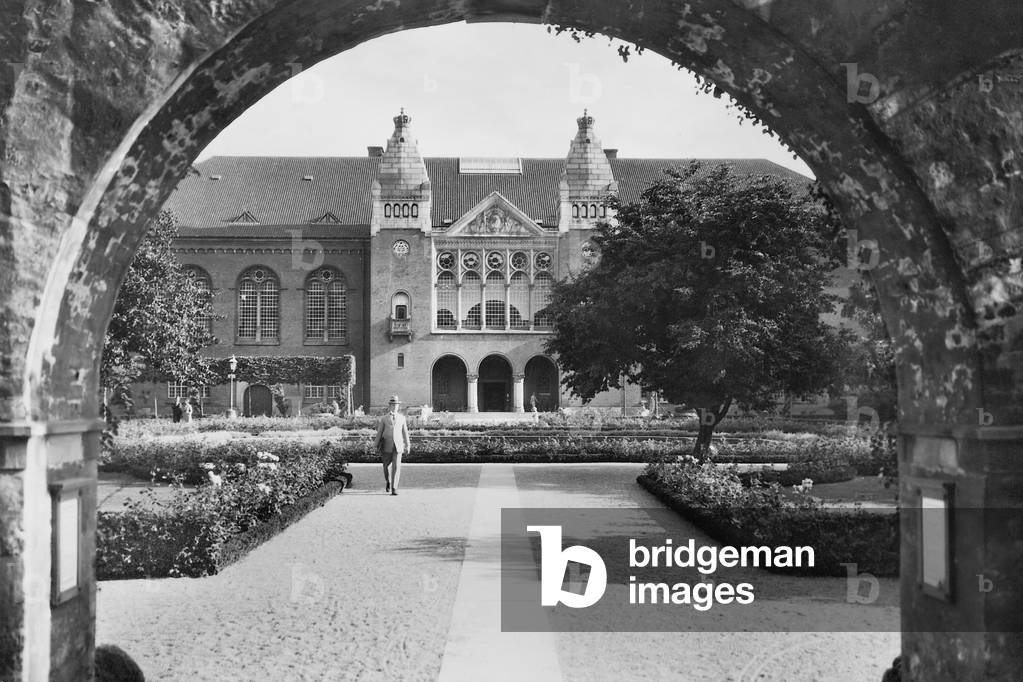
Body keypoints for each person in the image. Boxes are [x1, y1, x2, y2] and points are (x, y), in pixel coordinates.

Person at [373, 395, 411, 495]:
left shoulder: (402, 418)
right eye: (393, 405)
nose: (395, 406)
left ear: (398, 406)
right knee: (386, 467)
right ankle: (388, 481)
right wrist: (375, 445)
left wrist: (407, 445)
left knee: (396, 467)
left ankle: (394, 488)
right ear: (389, 406)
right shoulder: (384, 418)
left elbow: (405, 432)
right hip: (386, 446)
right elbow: (379, 432)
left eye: (396, 405)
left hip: (398, 446)